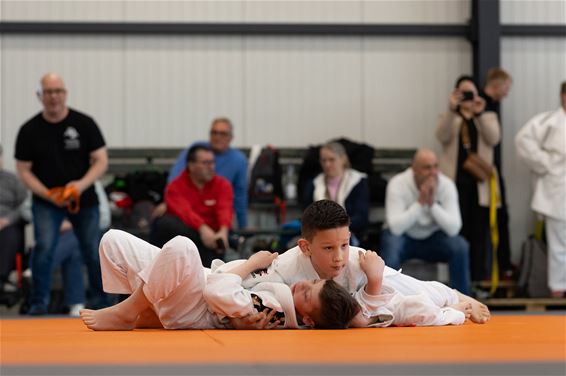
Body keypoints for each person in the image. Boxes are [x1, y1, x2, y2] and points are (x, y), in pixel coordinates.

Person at [236, 200, 490, 325]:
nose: (338, 257)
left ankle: (458, 300)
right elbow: (240, 294)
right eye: (328, 248)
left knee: (411, 298)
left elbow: (414, 288)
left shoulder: (357, 262)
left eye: (344, 244)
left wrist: (375, 278)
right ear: (305, 247)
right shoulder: (283, 270)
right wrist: (241, 320)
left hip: (365, 302)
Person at [80, 230, 359, 330]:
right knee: (112, 241)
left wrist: (251, 263)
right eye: (312, 283)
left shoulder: (272, 310)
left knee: (182, 247)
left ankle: (128, 312)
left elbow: (216, 291)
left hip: (197, 305)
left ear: (308, 320)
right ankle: (145, 309)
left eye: (308, 294)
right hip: (196, 284)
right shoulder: (289, 282)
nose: (303, 285)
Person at [14, 72, 109, 314]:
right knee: (44, 249)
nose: (54, 96)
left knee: (92, 250)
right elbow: (23, 170)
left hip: (84, 200)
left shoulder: (84, 123)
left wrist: (80, 184)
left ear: (65, 94)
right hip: (47, 202)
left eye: (58, 91)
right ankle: (38, 304)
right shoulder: (29, 130)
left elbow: (100, 160)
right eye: (48, 92)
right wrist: (46, 193)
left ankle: (103, 304)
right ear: (40, 95)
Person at [436, 75, 501, 284]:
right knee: (456, 230)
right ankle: (456, 281)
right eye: (462, 93)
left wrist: (480, 113)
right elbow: (442, 136)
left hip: (479, 185)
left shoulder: (486, 117)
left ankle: (478, 280)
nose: (466, 97)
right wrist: (451, 109)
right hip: (454, 183)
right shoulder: (450, 117)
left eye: (470, 93)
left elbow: (494, 138)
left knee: (479, 232)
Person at [379, 149, 471, 295]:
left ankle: (463, 300)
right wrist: (420, 203)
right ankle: (388, 301)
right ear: (414, 169)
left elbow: (454, 229)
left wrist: (432, 204)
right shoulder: (398, 184)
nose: (433, 172)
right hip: (404, 238)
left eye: (435, 166)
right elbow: (395, 228)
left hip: (433, 239)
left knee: (460, 246)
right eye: (427, 167)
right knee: (390, 244)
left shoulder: (446, 185)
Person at [20, 181, 111, 316]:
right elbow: (25, 209)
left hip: (83, 237)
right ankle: (77, 303)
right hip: (56, 236)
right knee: (72, 250)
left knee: (74, 238)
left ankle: (36, 268)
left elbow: (104, 218)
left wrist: (73, 225)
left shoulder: (92, 184)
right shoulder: (44, 180)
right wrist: (54, 222)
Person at [515, 81, 566, 298]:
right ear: (563, 96)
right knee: (558, 243)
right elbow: (522, 141)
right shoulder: (548, 122)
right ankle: (558, 289)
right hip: (556, 189)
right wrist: (546, 163)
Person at [150, 144, 234, 267]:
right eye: (205, 163)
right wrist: (202, 228)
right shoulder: (175, 187)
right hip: (190, 237)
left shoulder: (223, 185)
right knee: (164, 223)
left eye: (212, 162)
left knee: (220, 239)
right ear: (191, 165)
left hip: (214, 238)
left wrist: (223, 231)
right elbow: (185, 212)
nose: (211, 167)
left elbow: (224, 209)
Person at [166, 117, 248, 228]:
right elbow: (174, 183)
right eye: (214, 132)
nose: (217, 137)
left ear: (231, 138)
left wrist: (243, 226)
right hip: (189, 209)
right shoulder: (196, 149)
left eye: (222, 134)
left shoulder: (239, 160)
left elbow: (239, 195)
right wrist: (170, 202)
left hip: (218, 211)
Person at [481, 68, 515, 279]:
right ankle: (492, 269)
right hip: (482, 176)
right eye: (506, 88)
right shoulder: (484, 107)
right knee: (491, 223)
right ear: (497, 85)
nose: (507, 93)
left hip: (491, 173)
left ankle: (503, 265)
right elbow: (493, 138)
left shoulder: (492, 106)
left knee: (501, 219)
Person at [302, 141, 369, 245]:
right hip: (318, 233)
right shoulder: (314, 183)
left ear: (343, 159)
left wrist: (335, 227)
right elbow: (307, 214)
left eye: (331, 160)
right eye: (323, 160)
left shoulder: (357, 181)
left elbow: (361, 217)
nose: (327, 164)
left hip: (349, 233)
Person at [0, 144, 27, 298]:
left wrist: (7, 220)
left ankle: (1, 280)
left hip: (6, 225)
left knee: (9, 235)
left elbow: (24, 206)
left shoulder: (12, 180)